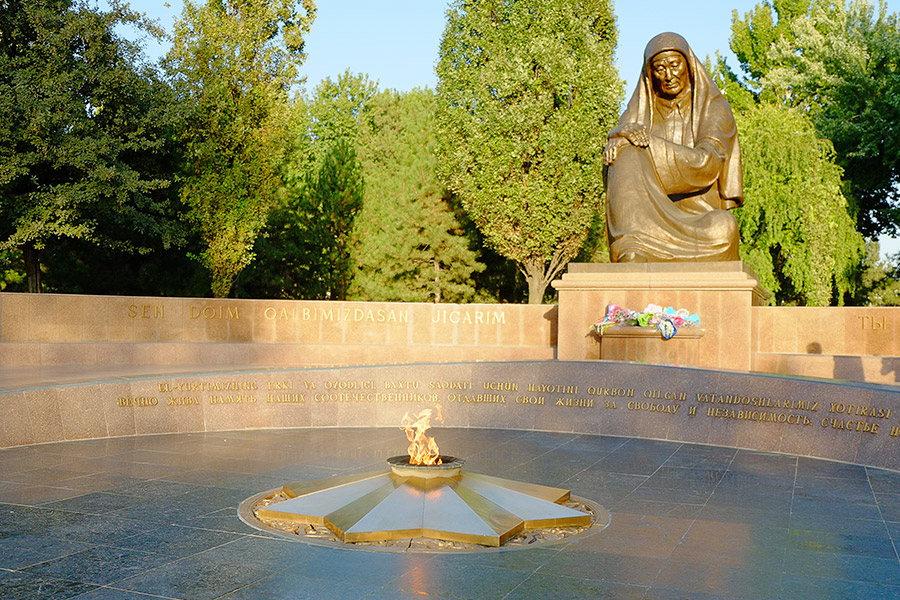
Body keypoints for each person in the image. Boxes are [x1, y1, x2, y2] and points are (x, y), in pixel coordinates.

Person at [604, 32, 742, 263]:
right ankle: (633, 246)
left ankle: (646, 249)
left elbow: (707, 164)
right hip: (645, 218)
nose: (668, 75)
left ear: (688, 65)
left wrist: (647, 145)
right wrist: (617, 137)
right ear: (650, 75)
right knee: (622, 151)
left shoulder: (714, 108)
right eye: (659, 68)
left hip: (698, 218)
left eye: (675, 65)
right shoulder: (640, 110)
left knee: (724, 227)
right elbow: (621, 148)